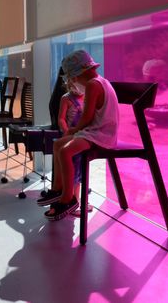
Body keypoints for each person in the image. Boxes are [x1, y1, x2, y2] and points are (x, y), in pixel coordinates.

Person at [38, 49, 119, 221]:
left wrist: (74, 130)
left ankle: (69, 199)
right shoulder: (101, 81)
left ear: (80, 73)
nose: (74, 82)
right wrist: (74, 131)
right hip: (97, 132)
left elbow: (87, 117)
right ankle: (58, 189)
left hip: (100, 135)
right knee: (58, 144)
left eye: (74, 78)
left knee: (65, 151)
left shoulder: (92, 85)